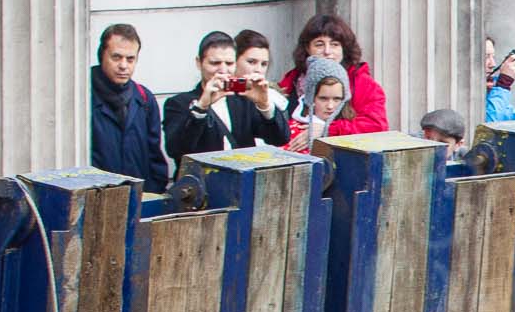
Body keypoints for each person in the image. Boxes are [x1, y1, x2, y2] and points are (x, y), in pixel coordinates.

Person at [163, 30, 291, 163]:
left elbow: (280, 139)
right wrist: (201, 108)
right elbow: (176, 150)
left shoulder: (244, 99)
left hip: (240, 181)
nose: (223, 70)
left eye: (229, 63)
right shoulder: (179, 103)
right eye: (215, 63)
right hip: (203, 181)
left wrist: (265, 105)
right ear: (199, 63)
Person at [89, 23, 169, 189]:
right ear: (101, 55)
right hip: (95, 199)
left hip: (138, 199)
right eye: (116, 57)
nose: (124, 65)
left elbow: (154, 155)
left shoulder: (144, 98)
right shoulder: (82, 96)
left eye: (130, 59)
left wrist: (154, 195)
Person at [278, 14, 388, 134]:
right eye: (319, 45)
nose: (327, 51)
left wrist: (328, 129)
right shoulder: (293, 79)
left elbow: (377, 125)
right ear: (308, 48)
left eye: (334, 44)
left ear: (344, 49)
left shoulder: (363, 83)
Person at [288, 57, 352, 153]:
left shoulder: (352, 129)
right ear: (311, 98)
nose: (330, 106)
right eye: (323, 98)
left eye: (337, 99)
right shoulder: (292, 132)